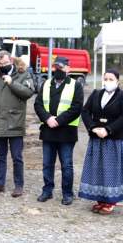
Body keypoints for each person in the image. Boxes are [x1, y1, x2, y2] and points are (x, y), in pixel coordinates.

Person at [79, 69, 123, 214]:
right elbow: (85, 111)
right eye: (105, 78)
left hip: (115, 140)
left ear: (117, 81)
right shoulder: (95, 94)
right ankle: (101, 200)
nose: (107, 81)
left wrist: (108, 129)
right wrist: (93, 127)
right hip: (97, 139)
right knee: (98, 169)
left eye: (111, 79)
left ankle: (111, 201)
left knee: (112, 171)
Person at [0, 51, 34, 198]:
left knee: (17, 157)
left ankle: (19, 186)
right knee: (0, 156)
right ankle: (0, 184)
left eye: (4, 63)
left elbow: (29, 92)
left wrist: (12, 82)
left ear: (10, 60)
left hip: (14, 122)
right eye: (0, 64)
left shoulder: (22, 73)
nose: (2, 66)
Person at [34, 56, 84, 205]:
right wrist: (48, 118)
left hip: (66, 132)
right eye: (56, 67)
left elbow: (76, 107)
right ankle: (47, 191)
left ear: (68, 69)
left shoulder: (76, 85)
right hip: (48, 130)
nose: (58, 70)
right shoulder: (46, 83)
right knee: (47, 164)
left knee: (66, 165)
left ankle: (67, 193)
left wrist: (58, 120)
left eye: (61, 68)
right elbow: (38, 104)